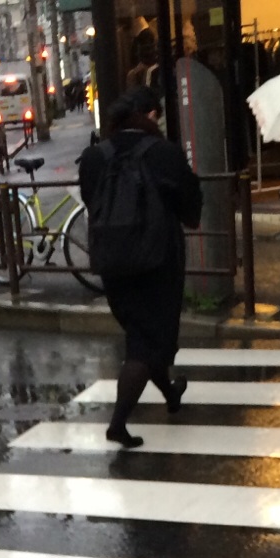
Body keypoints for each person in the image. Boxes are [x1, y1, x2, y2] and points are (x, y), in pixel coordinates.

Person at [77, 86, 203, 448]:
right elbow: (190, 205)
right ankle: (118, 423)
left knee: (142, 333)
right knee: (147, 343)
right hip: (158, 261)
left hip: (112, 260)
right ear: (149, 115)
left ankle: (171, 393)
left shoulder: (95, 156)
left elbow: (91, 200)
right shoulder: (163, 153)